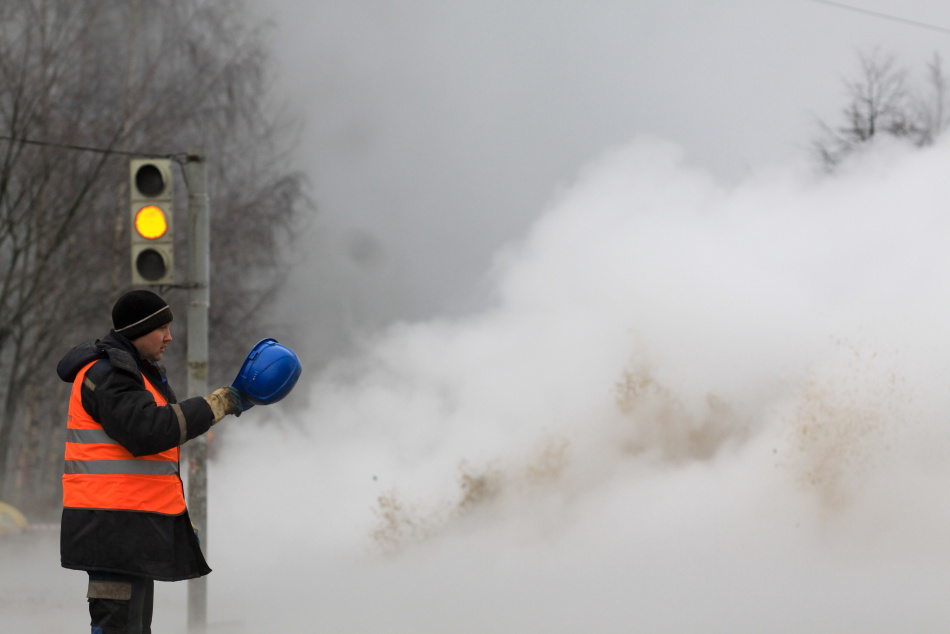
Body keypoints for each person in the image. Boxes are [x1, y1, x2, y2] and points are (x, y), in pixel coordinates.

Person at [57, 290, 242, 634]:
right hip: (112, 530)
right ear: (139, 331)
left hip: (125, 529)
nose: (169, 337)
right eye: (162, 329)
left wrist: (177, 527)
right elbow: (148, 431)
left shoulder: (131, 374)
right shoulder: (110, 375)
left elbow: (150, 465)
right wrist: (218, 403)